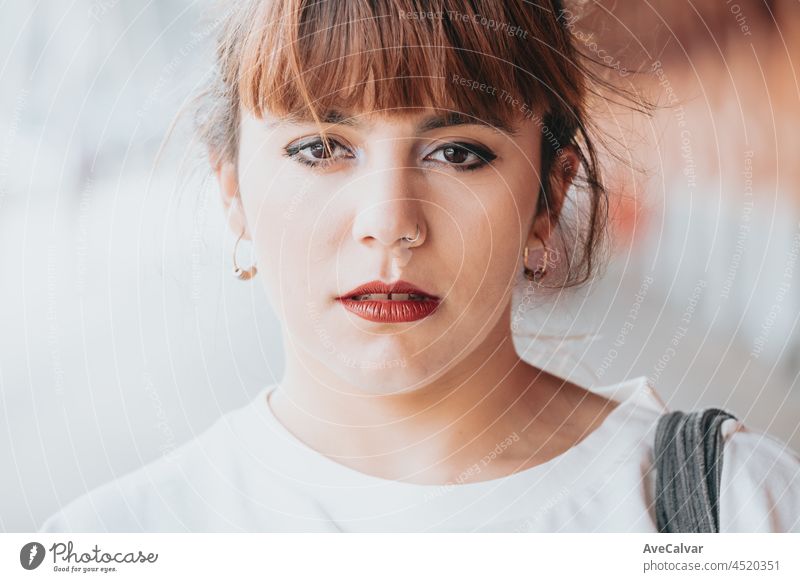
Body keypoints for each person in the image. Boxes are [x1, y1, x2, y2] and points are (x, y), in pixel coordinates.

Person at [40, 0, 799, 533]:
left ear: (548, 194)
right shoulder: (117, 541)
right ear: (232, 190)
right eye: (320, 149)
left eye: (458, 152)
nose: (390, 224)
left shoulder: (735, 513)